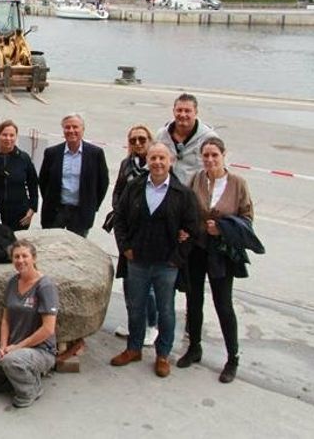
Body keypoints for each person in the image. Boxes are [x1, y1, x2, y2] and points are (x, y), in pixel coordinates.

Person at [111, 142, 199, 378]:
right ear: (147, 161)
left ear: (170, 161)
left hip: (166, 265)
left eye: (162, 158)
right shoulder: (134, 187)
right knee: (136, 307)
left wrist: (177, 259)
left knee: (166, 310)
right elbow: (119, 219)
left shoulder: (183, 194)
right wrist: (125, 248)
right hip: (137, 261)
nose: (157, 163)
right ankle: (134, 348)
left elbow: (193, 229)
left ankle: (162, 354)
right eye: (153, 158)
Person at [178, 137, 256, 383]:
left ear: (223, 156)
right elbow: (188, 208)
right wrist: (186, 229)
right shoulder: (197, 179)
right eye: (206, 155)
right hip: (197, 249)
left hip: (221, 253)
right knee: (194, 299)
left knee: (223, 304)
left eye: (214, 155)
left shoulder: (237, 183)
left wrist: (221, 229)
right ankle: (194, 347)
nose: (210, 160)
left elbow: (247, 218)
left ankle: (232, 358)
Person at [0, 240, 59, 408]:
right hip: (12, 350)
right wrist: (3, 347)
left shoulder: (45, 286)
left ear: (34, 258)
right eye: (16, 257)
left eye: (25, 256)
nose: (20, 260)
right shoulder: (12, 283)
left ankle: (32, 389)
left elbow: (48, 329)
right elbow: (5, 320)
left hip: (40, 351)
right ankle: (16, 375)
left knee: (12, 363)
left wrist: (16, 348)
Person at [109, 124, 158, 345]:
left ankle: (151, 325)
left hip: (149, 235)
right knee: (129, 281)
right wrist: (120, 215)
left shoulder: (157, 164)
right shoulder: (126, 165)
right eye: (133, 140)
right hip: (128, 232)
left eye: (142, 139)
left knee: (147, 284)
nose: (137, 143)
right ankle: (134, 323)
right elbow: (118, 191)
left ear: (150, 140)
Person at [38, 113, 109, 238]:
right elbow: (43, 181)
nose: (71, 131)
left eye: (75, 127)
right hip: (56, 211)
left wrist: (92, 206)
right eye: (67, 127)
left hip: (80, 212)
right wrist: (50, 200)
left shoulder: (95, 154)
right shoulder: (52, 153)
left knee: (76, 251)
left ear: (83, 129)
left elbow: (103, 183)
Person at [0, 120, 38, 233]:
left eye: (12, 135)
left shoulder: (23, 158)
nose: (8, 138)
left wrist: (32, 209)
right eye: (4, 135)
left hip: (18, 215)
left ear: (16, 137)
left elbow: (33, 184)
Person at [155, 93, 217, 185]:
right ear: (173, 111)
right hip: (166, 192)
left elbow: (220, 170)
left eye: (187, 111)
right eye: (179, 110)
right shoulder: (162, 135)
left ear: (195, 112)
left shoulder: (209, 138)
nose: (183, 114)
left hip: (194, 194)